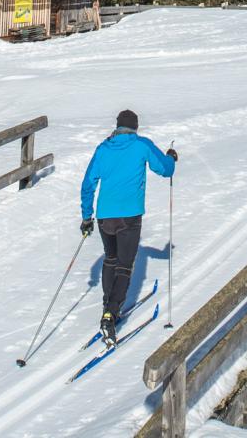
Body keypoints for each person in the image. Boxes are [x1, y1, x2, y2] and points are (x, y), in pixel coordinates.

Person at [79, 109, 177, 345]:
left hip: (105, 217)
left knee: (110, 259)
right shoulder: (141, 145)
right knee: (124, 266)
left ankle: (107, 306)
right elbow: (165, 169)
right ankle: (111, 314)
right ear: (135, 127)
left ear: (117, 126)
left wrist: (86, 217)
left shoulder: (103, 149)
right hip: (130, 216)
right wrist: (171, 156)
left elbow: (87, 184)